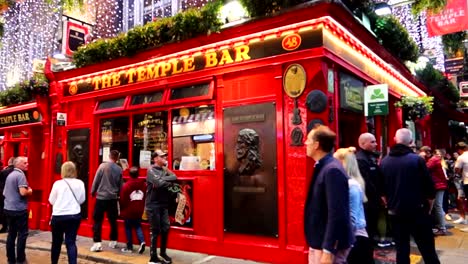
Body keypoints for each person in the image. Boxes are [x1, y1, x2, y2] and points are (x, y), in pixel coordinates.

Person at [380, 128, 439, 264]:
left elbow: (382, 191)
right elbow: (430, 188)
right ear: (411, 142)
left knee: (401, 249)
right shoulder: (417, 160)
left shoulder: (384, 162)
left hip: (396, 213)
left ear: (395, 140)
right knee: (428, 250)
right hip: (418, 211)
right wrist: (428, 208)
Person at [304, 125, 354, 264]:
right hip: (319, 241)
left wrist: (328, 249)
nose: (305, 143)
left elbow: (337, 213)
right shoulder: (325, 166)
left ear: (316, 145)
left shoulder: (332, 170)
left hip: (326, 245)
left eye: (308, 140)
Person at [334, 147, 374, 264]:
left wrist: (339, 241)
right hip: (355, 238)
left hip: (355, 239)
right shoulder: (350, 183)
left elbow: (352, 218)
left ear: (342, 163)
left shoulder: (351, 186)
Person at [48, 161, 86, 264]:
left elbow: (51, 200)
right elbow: (82, 200)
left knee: (56, 242)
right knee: (71, 242)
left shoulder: (58, 184)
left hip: (58, 216)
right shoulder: (80, 183)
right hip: (74, 215)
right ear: (74, 171)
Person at [146, 149, 177, 264]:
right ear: (155, 159)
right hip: (153, 204)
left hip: (163, 204)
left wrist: (162, 179)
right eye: (162, 156)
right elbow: (159, 184)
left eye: (165, 156)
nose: (165, 158)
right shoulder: (150, 170)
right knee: (155, 230)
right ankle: (153, 258)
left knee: (166, 228)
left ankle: (163, 253)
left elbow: (175, 177)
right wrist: (162, 181)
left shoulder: (164, 169)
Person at [90, 150, 123, 252]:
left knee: (97, 220)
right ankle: (113, 240)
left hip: (101, 197)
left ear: (109, 156)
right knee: (113, 220)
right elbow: (120, 185)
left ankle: (97, 243)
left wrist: (93, 191)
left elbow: (96, 179)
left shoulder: (102, 166)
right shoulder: (119, 169)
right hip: (112, 198)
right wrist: (118, 194)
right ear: (117, 158)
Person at [355, 133, 384, 246]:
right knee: (368, 229)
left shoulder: (370, 157)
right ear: (362, 144)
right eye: (372, 142)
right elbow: (367, 183)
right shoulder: (361, 160)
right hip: (367, 203)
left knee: (371, 228)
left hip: (373, 202)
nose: (376, 144)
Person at [3, 156, 33, 264]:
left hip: (8, 209)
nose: (27, 164)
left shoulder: (10, 175)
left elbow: (4, 193)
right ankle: (20, 259)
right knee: (22, 234)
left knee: (11, 234)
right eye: (25, 163)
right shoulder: (20, 175)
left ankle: (10, 259)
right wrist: (30, 190)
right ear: (18, 164)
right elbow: (23, 192)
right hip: (19, 210)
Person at [120, 166, 146, 254]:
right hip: (139, 209)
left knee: (128, 228)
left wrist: (122, 209)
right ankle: (142, 241)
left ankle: (129, 247)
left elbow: (123, 199)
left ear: (129, 174)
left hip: (128, 210)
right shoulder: (143, 184)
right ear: (138, 174)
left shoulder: (126, 185)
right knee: (138, 226)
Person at [427, 149, 448, 235]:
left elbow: (425, 168)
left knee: (437, 206)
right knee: (438, 206)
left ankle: (442, 228)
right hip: (440, 185)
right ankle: (441, 226)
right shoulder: (438, 161)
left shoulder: (433, 160)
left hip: (437, 185)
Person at [454, 142, 468, 224]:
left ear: (459, 149)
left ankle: (463, 218)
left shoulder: (461, 157)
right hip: (464, 181)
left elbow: (457, 170)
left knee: (461, 199)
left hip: (466, 181)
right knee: (460, 198)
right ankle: (462, 218)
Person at [0, 157, 15, 233]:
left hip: (3, 193)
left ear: (9, 162)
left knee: (3, 210)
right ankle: (11, 226)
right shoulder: (18, 172)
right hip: (14, 194)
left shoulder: (4, 172)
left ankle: (5, 226)